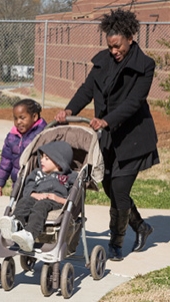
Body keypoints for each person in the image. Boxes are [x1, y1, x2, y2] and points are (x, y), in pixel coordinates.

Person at [54, 9, 158, 261]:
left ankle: (116, 244)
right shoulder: (102, 61)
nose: (114, 51)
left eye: (117, 46)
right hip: (107, 139)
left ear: (130, 38)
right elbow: (86, 89)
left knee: (120, 190)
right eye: (110, 46)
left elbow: (134, 102)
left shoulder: (144, 65)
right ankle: (141, 226)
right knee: (111, 188)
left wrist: (107, 120)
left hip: (133, 137)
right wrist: (69, 109)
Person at [0, 141, 77, 252]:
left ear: (59, 162)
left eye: (46, 158)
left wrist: (58, 199)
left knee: (41, 206)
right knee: (24, 201)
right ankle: (15, 224)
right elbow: (28, 187)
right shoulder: (37, 173)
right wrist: (34, 194)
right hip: (36, 196)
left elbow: (74, 198)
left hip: (54, 201)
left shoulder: (70, 177)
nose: (41, 160)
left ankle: (29, 235)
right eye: (42, 157)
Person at [0, 99, 47, 196]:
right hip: (18, 184)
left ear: (34, 117)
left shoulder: (43, 134)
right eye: (15, 118)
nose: (18, 122)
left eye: (22, 118)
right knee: (18, 209)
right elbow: (6, 161)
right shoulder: (12, 137)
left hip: (38, 185)